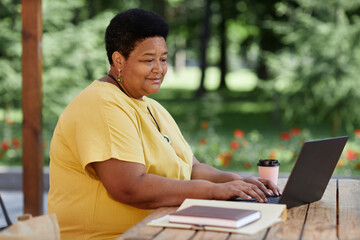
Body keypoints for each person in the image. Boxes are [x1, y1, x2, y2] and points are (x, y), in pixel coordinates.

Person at [47, 8, 280, 240]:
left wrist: (235, 182)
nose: (159, 69)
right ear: (119, 60)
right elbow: (130, 187)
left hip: (159, 228)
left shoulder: (150, 106)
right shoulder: (102, 104)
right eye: (148, 60)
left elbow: (192, 169)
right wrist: (213, 192)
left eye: (163, 59)